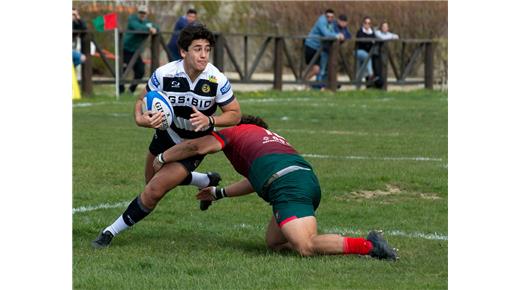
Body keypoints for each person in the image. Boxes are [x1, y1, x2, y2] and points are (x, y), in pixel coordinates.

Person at [150, 115, 398, 260]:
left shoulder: (234, 132)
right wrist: (218, 193)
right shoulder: (267, 138)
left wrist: (162, 157)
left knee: (305, 246)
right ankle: (310, 235)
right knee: (274, 243)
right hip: (303, 180)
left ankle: (368, 245)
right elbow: (256, 180)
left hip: (286, 185)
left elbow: (196, 147)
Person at [92, 24, 242, 248]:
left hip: (194, 144)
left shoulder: (216, 80)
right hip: (165, 136)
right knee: (151, 183)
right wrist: (141, 119)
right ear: (183, 52)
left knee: (154, 191)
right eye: (197, 49)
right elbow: (141, 101)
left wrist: (210, 120)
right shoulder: (164, 74)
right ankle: (205, 180)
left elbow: (235, 115)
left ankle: (108, 233)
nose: (203, 55)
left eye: (207, 49)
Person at [119, 5, 159, 94]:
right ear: (138, 13)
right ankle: (120, 91)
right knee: (123, 70)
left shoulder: (147, 22)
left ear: (146, 14)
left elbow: (157, 28)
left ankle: (131, 90)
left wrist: (154, 29)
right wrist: (149, 29)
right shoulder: (132, 20)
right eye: (141, 13)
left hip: (136, 52)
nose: (142, 15)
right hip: (126, 49)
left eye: (144, 13)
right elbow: (138, 27)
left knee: (140, 71)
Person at [303, 9, 344, 84]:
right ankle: (303, 81)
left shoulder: (331, 23)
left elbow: (332, 32)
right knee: (315, 69)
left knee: (318, 70)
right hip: (311, 46)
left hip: (319, 48)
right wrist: (337, 36)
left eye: (332, 17)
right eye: (328, 16)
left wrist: (339, 35)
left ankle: (309, 83)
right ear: (325, 16)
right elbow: (326, 34)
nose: (330, 18)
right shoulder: (321, 21)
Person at [316, 14, 352, 88]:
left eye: (345, 22)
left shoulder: (345, 28)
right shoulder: (333, 26)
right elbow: (331, 34)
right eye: (342, 22)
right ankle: (318, 85)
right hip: (325, 49)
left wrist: (343, 36)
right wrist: (338, 35)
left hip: (334, 52)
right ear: (338, 21)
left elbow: (349, 35)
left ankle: (326, 85)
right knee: (323, 69)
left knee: (331, 69)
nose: (343, 24)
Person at [372, 21, 399, 89]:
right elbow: (382, 38)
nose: (385, 28)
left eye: (386, 27)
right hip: (374, 53)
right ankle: (375, 84)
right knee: (377, 70)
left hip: (382, 54)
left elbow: (396, 36)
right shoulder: (377, 32)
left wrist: (392, 36)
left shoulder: (388, 34)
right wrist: (391, 36)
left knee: (382, 69)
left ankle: (380, 84)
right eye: (384, 27)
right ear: (381, 27)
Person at [355, 16, 378, 87]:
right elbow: (362, 41)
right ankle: (371, 74)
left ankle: (358, 82)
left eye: (369, 23)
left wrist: (369, 41)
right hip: (359, 51)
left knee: (363, 67)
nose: (367, 25)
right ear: (363, 23)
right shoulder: (360, 31)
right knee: (368, 58)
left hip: (368, 52)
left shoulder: (372, 32)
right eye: (366, 23)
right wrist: (370, 41)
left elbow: (375, 40)